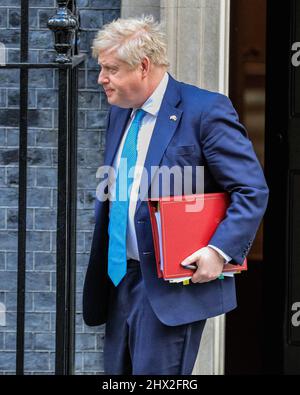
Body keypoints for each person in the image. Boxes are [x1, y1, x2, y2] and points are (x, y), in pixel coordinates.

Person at [82, 15, 269, 375]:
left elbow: (251, 189)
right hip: (119, 280)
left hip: (169, 286)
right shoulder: (120, 113)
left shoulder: (205, 111)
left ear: (143, 66)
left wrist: (219, 251)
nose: (101, 78)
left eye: (111, 69)